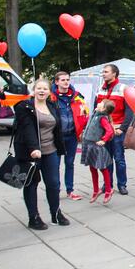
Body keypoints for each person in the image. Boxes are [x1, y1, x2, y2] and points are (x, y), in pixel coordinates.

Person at [15, 79, 70, 230]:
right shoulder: (24, 106)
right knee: (31, 183)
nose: (41, 91)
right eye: (38, 88)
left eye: (45, 88)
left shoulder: (52, 106)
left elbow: (56, 128)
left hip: (50, 150)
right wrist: (33, 148)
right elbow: (27, 128)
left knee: (53, 183)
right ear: (33, 90)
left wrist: (61, 147)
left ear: (49, 91)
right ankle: (34, 217)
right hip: (30, 152)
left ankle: (56, 213)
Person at [51, 71, 89, 201]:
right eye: (62, 80)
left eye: (67, 79)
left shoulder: (77, 96)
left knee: (69, 163)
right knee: (55, 164)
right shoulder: (50, 97)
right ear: (56, 82)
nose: (66, 82)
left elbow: (84, 113)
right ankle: (55, 190)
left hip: (72, 136)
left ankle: (70, 190)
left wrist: (82, 127)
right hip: (56, 137)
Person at [95, 64, 131, 195]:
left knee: (119, 158)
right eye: (103, 71)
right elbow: (96, 110)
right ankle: (107, 184)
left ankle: (122, 184)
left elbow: (129, 110)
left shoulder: (123, 88)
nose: (103, 74)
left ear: (114, 74)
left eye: (106, 72)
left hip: (117, 129)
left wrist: (122, 128)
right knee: (106, 158)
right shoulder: (100, 89)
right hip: (104, 130)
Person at [81, 99, 116, 204]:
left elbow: (110, 130)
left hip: (95, 146)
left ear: (104, 108)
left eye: (101, 103)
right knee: (92, 168)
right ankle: (96, 190)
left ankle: (108, 190)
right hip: (88, 144)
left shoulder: (102, 118)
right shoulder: (95, 114)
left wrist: (103, 140)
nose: (98, 103)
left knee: (103, 168)